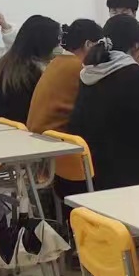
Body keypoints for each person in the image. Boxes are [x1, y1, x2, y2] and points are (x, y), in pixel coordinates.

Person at [69, 15, 139, 191]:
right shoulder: (134, 75)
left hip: (89, 174)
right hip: (126, 176)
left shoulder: (89, 72)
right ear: (137, 46)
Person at [28, 19, 103, 194]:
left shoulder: (56, 62)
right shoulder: (80, 68)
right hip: (59, 151)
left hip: (41, 144)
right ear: (89, 44)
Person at [0, 15, 61, 124]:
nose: (60, 46)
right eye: (57, 41)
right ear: (46, 44)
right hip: (18, 131)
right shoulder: (33, 74)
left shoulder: (5, 65)